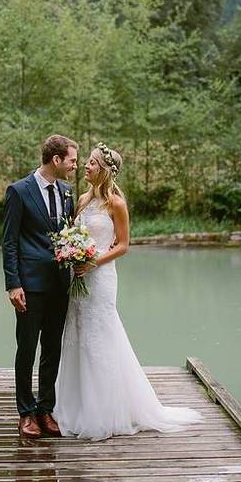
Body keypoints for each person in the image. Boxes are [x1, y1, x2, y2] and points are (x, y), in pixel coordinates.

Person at [54, 143, 202, 440]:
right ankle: (73, 405)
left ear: (105, 170)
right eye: (87, 162)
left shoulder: (116, 204)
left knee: (100, 336)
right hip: (77, 276)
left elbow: (123, 245)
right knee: (77, 334)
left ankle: (105, 411)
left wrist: (93, 261)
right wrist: (72, 254)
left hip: (101, 277)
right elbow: (72, 235)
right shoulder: (81, 199)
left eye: (93, 163)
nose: (86, 166)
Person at [1, 135, 78, 438]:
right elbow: (8, 243)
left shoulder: (68, 192)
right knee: (27, 348)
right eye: (71, 160)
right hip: (29, 285)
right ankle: (25, 412)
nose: (74, 166)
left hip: (60, 283)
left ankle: (46, 409)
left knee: (52, 349)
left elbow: (69, 234)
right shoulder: (19, 191)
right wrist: (13, 284)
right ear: (56, 160)